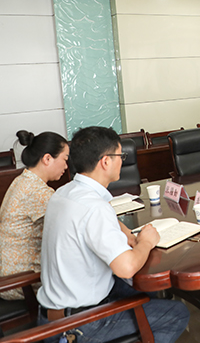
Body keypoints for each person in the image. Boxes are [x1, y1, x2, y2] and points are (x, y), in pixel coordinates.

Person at [37, 126, 189, 343]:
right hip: (77, 325)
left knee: (145, 290)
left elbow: (92, 220)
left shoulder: (64, 192)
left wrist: (128, 234)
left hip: (53, 313)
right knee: (177, 314)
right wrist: (145, 242)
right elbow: (126, 267)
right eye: (120, 156)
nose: (122, 162)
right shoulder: (95, 207)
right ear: (106, 161)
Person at [0, 131, 68, 300]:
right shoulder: (37, 192)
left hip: (10, 275)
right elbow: (73, 224)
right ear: (47, 159)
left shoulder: (23, 180)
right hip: (22, 282)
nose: (66, 166)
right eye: (65, 159)